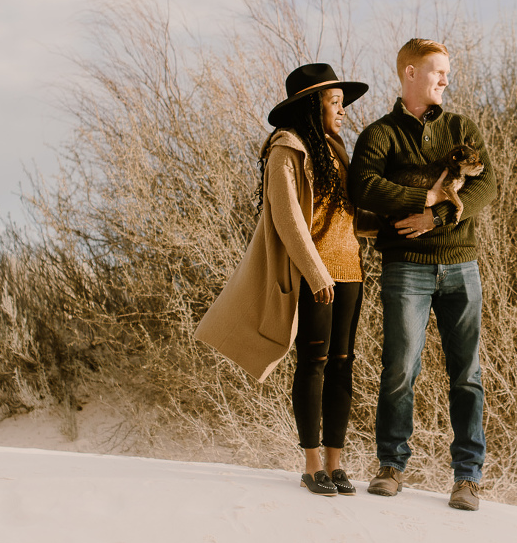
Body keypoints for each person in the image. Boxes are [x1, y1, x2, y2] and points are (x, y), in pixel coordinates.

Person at [193, 62, 369, 497]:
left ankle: (336, 463)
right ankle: (312, 466)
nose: (342, 111)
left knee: (343, 366)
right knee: (314, 364)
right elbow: (288, 216)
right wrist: (315, 273)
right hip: (319, 275)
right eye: (334, 102)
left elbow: (345, 215)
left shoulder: (335, 149)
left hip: (352, 271)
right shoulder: (286, 149)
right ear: (313, 106)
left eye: (343, 104)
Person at [348, 39, 498, 511]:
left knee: (467, 375)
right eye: (438, 72)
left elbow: (487, 184)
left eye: (447, 73)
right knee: (399, 371)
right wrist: (427, 198)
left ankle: (467, 478)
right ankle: (391, 466)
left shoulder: (460, 128)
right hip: (405, 270)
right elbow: (365, 186)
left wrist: (440, 217)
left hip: (460, 264)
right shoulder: (379, 135)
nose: (445, 80)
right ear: (410, 73)